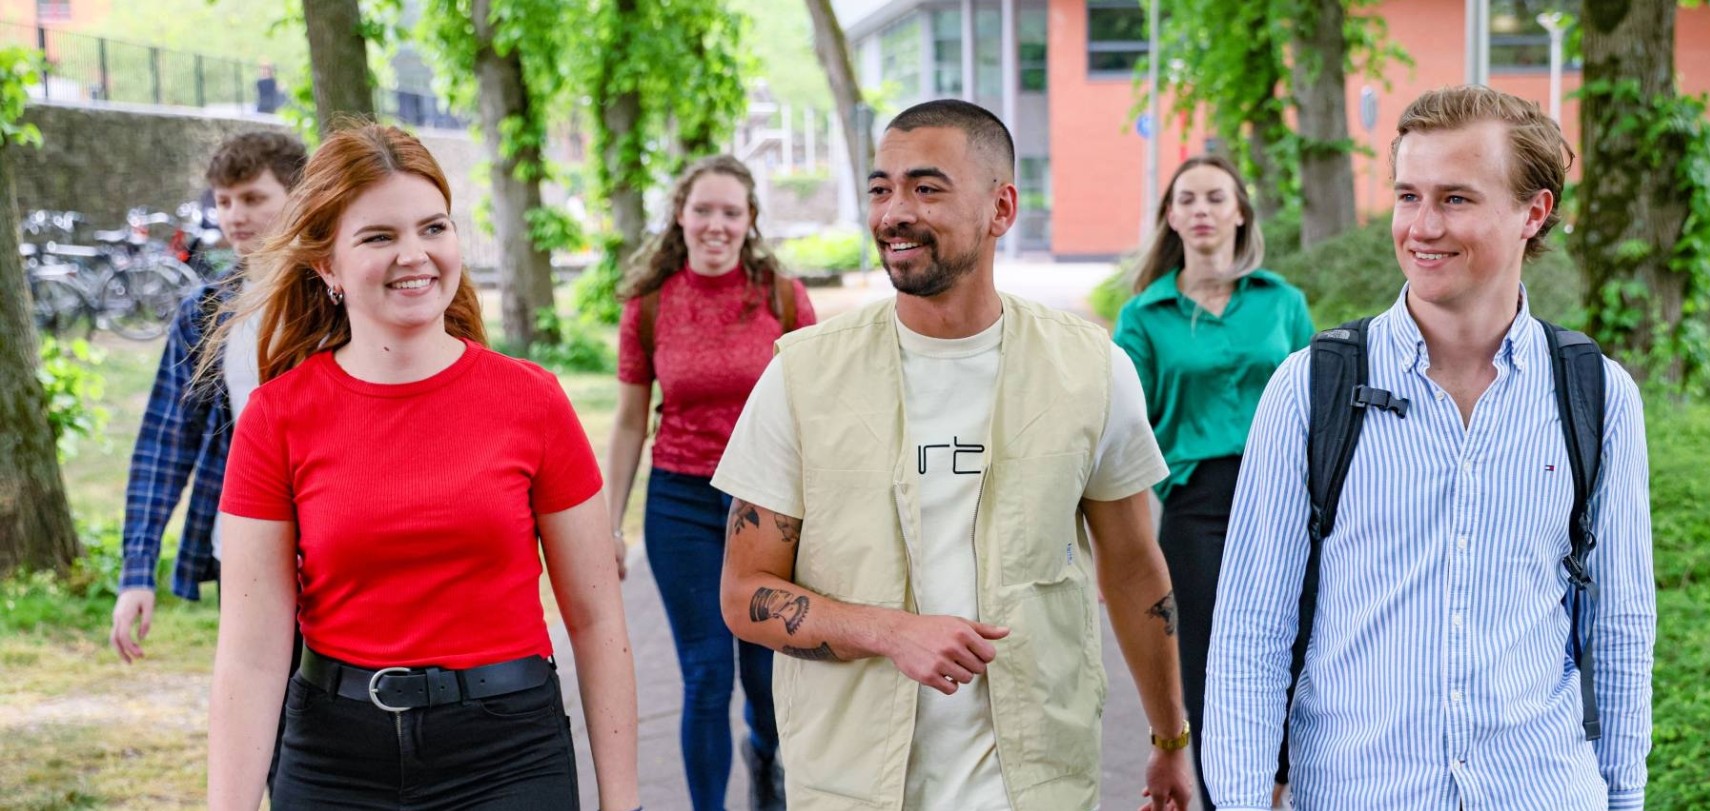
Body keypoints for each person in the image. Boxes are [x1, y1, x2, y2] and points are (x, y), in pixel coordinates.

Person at [711, 98, 1196, 810]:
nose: (893, 212)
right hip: (855, 785)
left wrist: (1169, 739)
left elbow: (1131, 569)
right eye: (881, 189)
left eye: (926, 187)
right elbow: (742, 593)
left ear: (1001, 208)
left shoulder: (1092, 369)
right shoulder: (801, 375)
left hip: (1037, 782)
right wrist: (889, 631)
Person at [1202, 85, 1656, 809]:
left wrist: (1624, 796)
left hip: (1540, 790)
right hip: (1361, 792)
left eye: (1455, 199)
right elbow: (1252, 628)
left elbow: (1621, 623)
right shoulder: (1310, 389)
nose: (1420, 226)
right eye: (1408, 195)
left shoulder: (1598, 397)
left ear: (1532, 213)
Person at [204, 124, 640, 811]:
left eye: (432, 227)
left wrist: (624, 802)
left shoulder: (532, 400)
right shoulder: (275, 417)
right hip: (332, 758)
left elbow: (596, 619)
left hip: (507, 755)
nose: (415, 254)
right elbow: (253, 654)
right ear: (328, 266)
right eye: (379, 237)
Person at [603, 154, 814, 811]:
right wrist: (610, 523)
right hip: (681, 502)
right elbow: (631, 420)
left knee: (765, 671)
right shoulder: (650, 304)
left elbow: (817, 408)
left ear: (750, 220)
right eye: (703, 209)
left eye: (731, 211)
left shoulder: (782, 295)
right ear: (680, 214)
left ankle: (767, 764)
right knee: (705, 672)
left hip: (768, 505)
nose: (715, 224)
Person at [1111, 153, 1313, 809]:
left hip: (1283, 497)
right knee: (1206, 659)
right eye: (1187, 198)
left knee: (1294, 643)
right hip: (1195, 507)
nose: (1201, 209)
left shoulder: (1282, 302)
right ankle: (1229, 795)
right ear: (1170, 216)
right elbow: (1121, 412)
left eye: (1215, 197)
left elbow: (1318, 399)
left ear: (1239, 212)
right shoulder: (1145, 315)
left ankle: (1283, 789)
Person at [112, 129, 307, 664]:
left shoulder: (342, 303)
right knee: (259, 717)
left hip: (336, 550)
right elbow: (164, 443)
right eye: (223, 201)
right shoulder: (206, 313)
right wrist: (137, 571)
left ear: (300, 195)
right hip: (241, 548)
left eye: (252, 198)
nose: (234, 215)